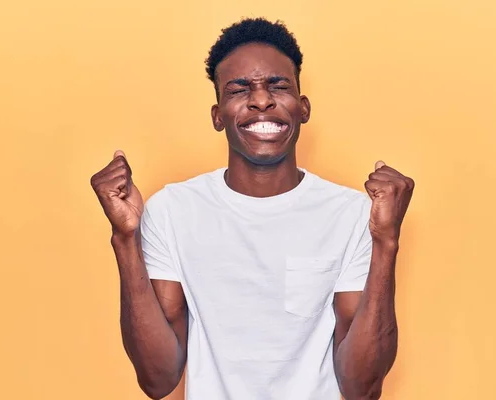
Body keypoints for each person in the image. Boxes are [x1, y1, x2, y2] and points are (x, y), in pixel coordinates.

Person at [90, 17, 414, 400]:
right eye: (240, 89)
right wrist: (125, 238)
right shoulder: (173, 212)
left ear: (303, 108)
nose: (261, 100)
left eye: (278, 85)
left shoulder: (353, 215)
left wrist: (387, 241)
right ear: (217, 115)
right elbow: (158, 379)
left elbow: (361, 387)